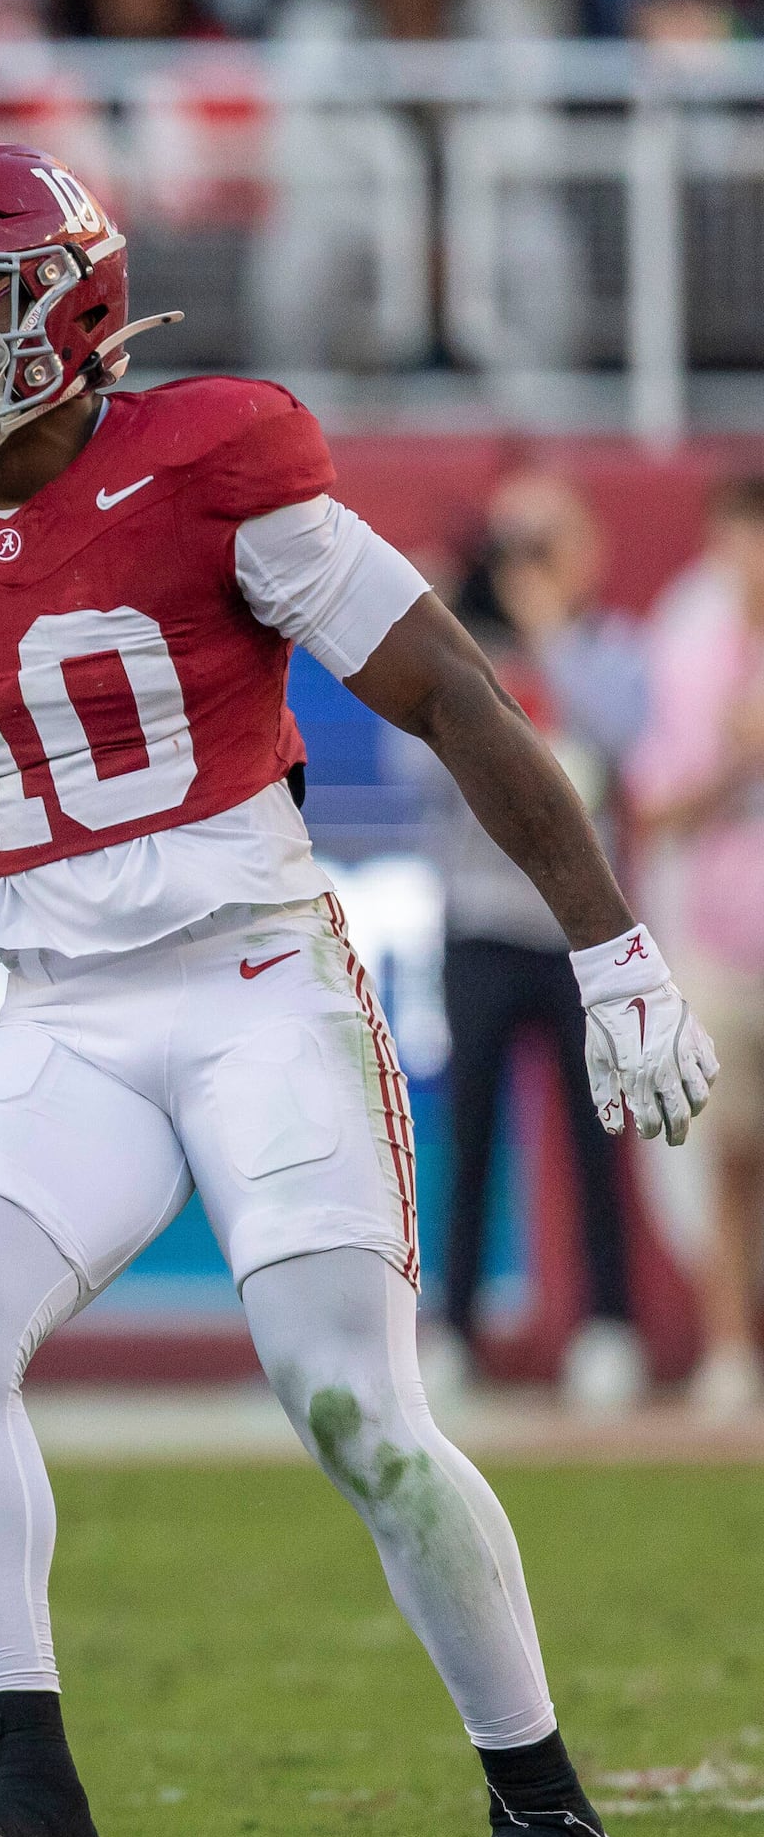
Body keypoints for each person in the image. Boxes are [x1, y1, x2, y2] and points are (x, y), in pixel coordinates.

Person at [0, 143, 718, 1837]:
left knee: (349, 1400)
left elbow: (451, 693)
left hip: (259, 979)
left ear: (70, 314)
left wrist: (609, 948)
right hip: (61, 1007)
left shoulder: (217, 463)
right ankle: (30, 1794)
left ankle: (546, 1813)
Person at [384, 468, 654, 1411]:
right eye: (512, 549)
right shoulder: (463, 659)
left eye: (544, 547)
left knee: (595, 1136)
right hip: (482, 925)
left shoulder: (612, 649)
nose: (523, 568)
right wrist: (452, 638)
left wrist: (550, 633)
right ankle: (452, 1327)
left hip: (579, 935)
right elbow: (410, 775)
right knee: (471, 1134)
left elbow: (626, 736)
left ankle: (610, 1326)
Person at [628, 475, 764, 1417]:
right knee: (724, 1157)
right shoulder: (690, 653)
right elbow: (655, 810)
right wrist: (736, 758)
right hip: (723, 941)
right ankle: (728, 1352)